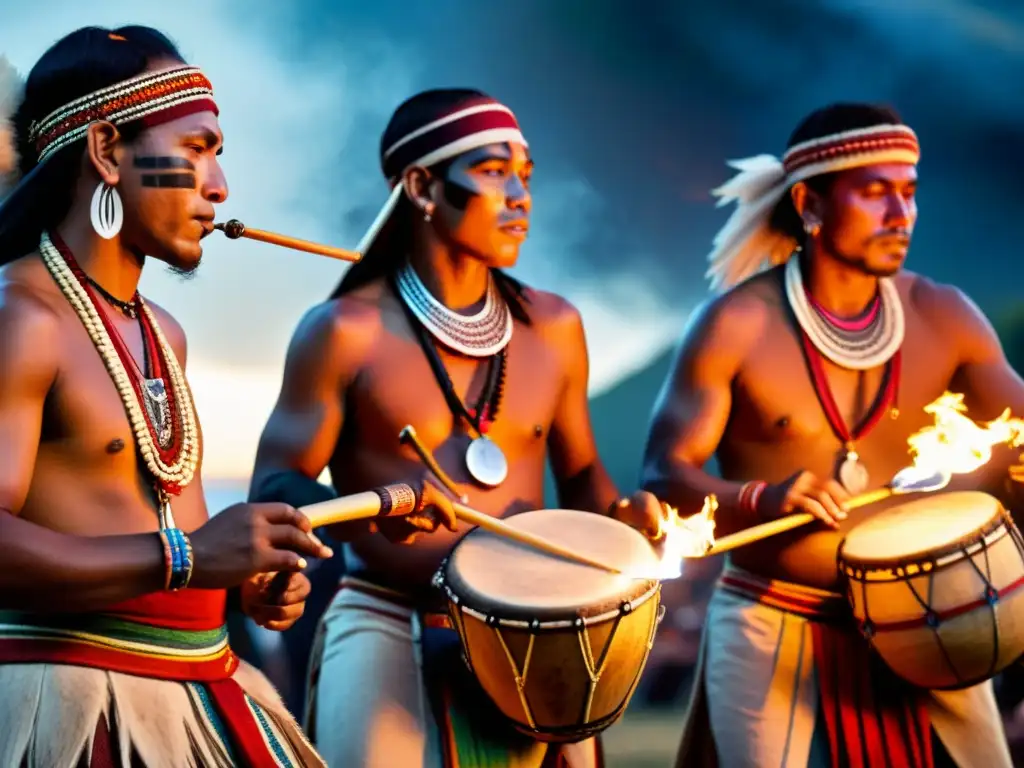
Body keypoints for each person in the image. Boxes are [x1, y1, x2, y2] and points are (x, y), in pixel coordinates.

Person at [248, 87, 662, 767]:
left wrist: (622, 520)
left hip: (541, 629)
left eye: (527, 176)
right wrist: (375, 513)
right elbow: (276, 481)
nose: (522, 196)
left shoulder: (555, 328)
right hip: (387, 616)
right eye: (496, 172)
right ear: (421, 186)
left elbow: (582, 472)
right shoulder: (345, 331)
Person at [0, 25, 355, 766]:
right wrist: (189, 557)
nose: (220, 186)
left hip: (202, 682)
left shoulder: (163, 331)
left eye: (218, 155)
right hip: (71, 709)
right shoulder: (21, 320)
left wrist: (244, 577)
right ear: (105, 151)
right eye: (195, 150)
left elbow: (163, 523)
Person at [639, 103, 1023, 767]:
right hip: (771, 623)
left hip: (933, 621)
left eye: (908, 193)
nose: (900, 215)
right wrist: (762, 498)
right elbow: (665, 477)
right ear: (809, 204)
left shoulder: (946, 315)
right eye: (875, 193)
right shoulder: (737, 325)